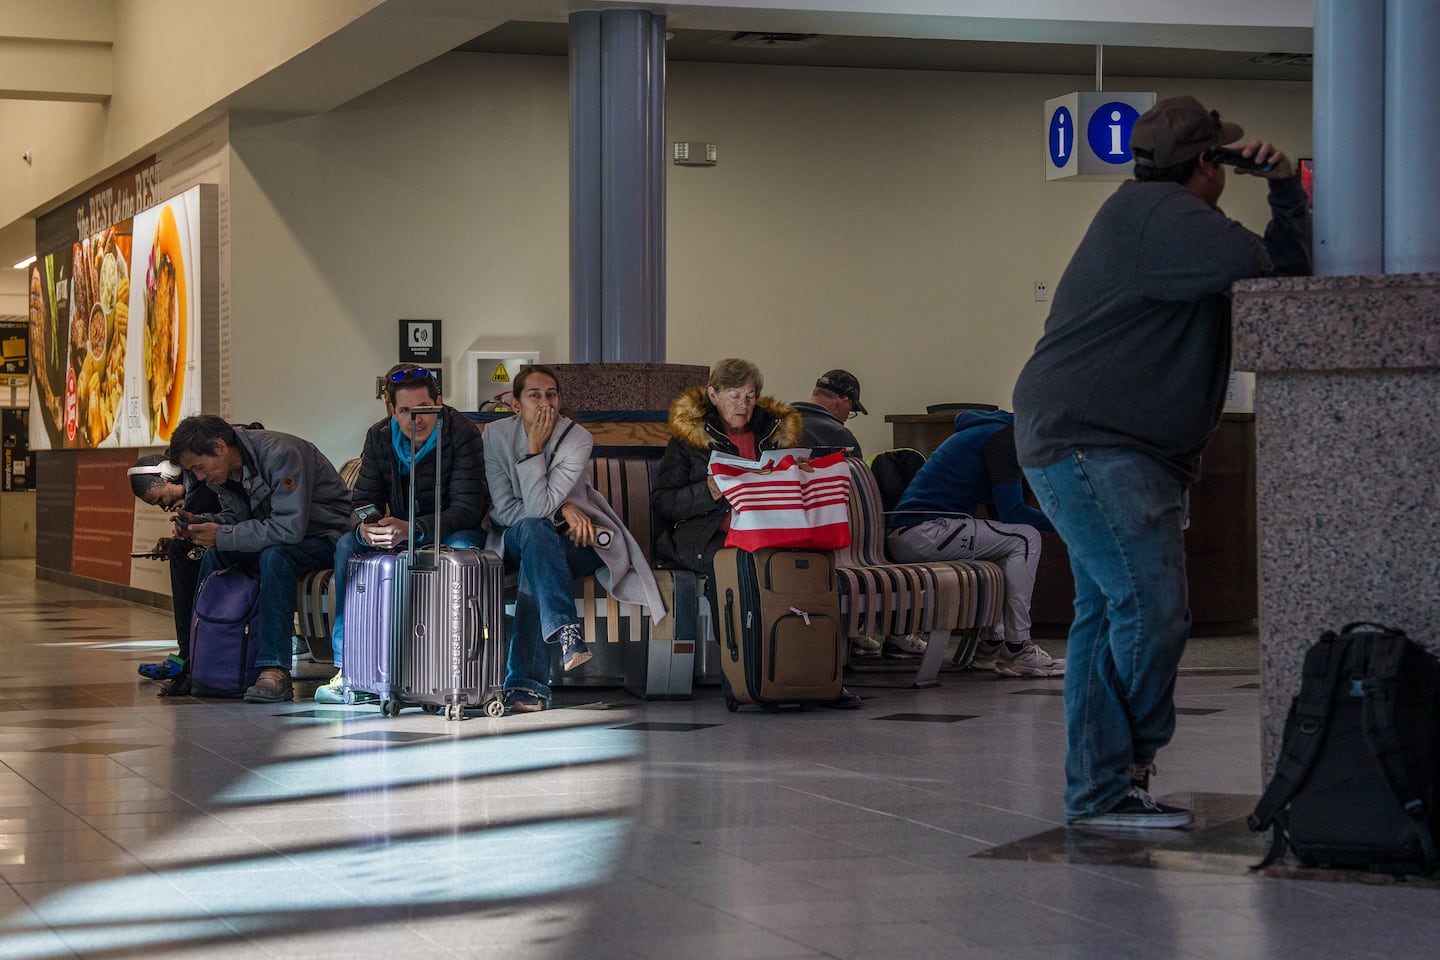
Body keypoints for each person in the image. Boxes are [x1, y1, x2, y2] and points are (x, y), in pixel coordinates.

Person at [1012, 95, 1311, 828]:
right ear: (1207, 163)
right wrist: (1281, 186)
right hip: (1098, 444)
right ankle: (1124, 767)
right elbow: (1273, 270)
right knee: (1153, 611)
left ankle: (1099, 790)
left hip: (1082, 438)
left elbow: (1274, 278)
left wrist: (1274, 188)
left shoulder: (1147, 213)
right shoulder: (1167, 217)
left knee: (1102, 615)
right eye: (1222, 158)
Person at [652, 357, 862, 709]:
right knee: (740, 569)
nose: (743, 405)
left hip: (769, 530)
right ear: (713, 395)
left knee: (812, 568)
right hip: (704, 535)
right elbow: (663, 503)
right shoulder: (689, 439)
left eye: (750, 396)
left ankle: (817, 676)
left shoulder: (773, 432)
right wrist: (709, 491)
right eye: (734, 396)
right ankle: (747, 678)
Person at [484, 365, 665, 714]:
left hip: (580, 541)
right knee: (536, 534)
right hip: (517, 537)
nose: (545, 402)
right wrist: (561, 505)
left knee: (538, 560)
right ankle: (566, 630)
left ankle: (525, 687)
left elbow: (537, 507)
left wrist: (554, 505)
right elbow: (509, 509)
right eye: (534, 395)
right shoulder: (494, 436)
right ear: (515, 405)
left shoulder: (577, 437)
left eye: (551, 394)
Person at [314, 363, 491, 704]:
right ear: (391, 409)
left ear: (438, 402)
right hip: (401, 530)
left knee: (457, 551)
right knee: (347, 546)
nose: (416, 420)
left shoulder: (463, 433)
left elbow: (469, 508)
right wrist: (367, 527)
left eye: (424, 410)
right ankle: (349, 666)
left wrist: (414, 528)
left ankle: (446, 667)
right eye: (406, 411)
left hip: (453, 528)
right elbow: (362, 501)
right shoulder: (379, 436)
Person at [168, 416, 352, 703]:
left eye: (199, 468)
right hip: (278, 537)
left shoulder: (282, 454)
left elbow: (289, 529)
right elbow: (236, 520)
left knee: (276, 557)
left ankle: (274, 669)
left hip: (325, 537)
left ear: (219, 447)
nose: (200, 478)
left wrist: (224, 533)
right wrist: (203, 524)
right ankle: (201, 656)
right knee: (215, 553)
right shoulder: (226, 471)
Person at [885, 410, 1063, 676]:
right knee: (1026, 538)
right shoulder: (1003, 440)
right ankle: (1017, 649)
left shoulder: (996, 435)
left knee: (1011, 541)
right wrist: (1069, 523)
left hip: (918, 532)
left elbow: (1004, 515)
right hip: (923, 531)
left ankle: (992, 645)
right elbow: (1014, 513)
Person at [128, 454, 222, 690]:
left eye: (160, 499)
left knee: (183, 553)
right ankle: (189, 652)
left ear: (169, 477)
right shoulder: (195, 493)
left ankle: (190, 655)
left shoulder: (203, 491)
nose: (165, 508)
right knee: (180, 549)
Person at [792, 369, 866, 457]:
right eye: (849, 410)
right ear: (843, 402)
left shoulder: (779, 423)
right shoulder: (838, 435)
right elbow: (853, 469)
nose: (845, 418)